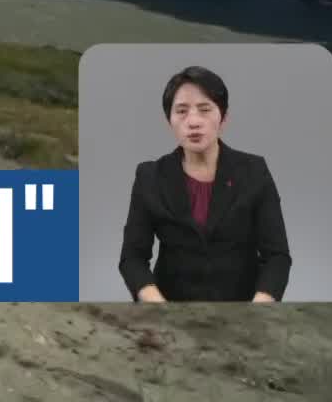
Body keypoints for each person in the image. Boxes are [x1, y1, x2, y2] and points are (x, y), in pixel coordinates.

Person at [118, 65, 291, 303]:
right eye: (181, 111)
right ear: (169, 120)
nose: (193, 122)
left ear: (224, 117)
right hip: (169, 310)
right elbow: (132, 257)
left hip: (243, 311)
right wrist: (156, 304)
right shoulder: (150, 176)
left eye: (204, 110)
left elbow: (277, 256)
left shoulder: (254, 171)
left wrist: (259, 307)